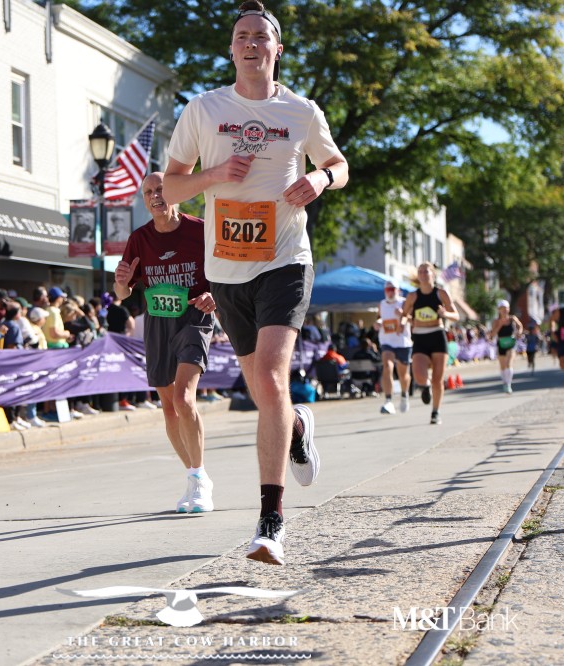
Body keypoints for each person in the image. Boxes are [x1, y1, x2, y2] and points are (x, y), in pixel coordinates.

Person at [163, 0, 348, 565]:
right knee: (267, 392)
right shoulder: (203, 109)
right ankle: (297, 426)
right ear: (231, 49)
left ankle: (271, 523)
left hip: (285, 259)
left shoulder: (301, 111)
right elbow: (170, 189)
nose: (250, 43)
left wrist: (320, 179)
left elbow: (339, 165)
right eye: (241, 36)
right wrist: (215, 175)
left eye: (260, 37)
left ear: (277, 49)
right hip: (226, 269)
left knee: (269, 376)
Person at [115, 171, 218, 513]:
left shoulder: (200, 230)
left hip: (194, 318)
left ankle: (199, 479)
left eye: (160, 189)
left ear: (175, 191)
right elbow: (122, 292)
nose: (155, 196)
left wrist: (213, 295)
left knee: (183, 397)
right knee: (169, 406)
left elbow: (227, 273)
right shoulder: (139, 238)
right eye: (148, 192)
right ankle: (195, 476)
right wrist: (121, 283)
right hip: (158, 322)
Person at [402, 262, 459, 425]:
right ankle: (425, 387)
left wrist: (445, 313)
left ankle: (435, 412)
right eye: (420, 271)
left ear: (433, 274)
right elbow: (404, 315)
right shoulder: (412, 296)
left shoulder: (441, 294)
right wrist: (404, 321)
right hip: (420, 336)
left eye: (426, 271)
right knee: (419, 374)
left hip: (437, 335)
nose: (423, 274)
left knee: (437, 379)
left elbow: (456, 315)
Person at [377, 279, 412, 414]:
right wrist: (378, 323)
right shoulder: (381, 304)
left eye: (392, 290)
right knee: (387, 366)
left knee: (403, 374)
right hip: (387, 341)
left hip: (402, 342)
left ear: (398, 290)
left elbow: (413, 319)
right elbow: (379, 317)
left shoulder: (404, 302)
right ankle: (388, 400)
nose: (390, 292)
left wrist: (402, 315)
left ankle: (404, 394)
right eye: (388, 290)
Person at [489, 300, 524, 394]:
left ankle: (508, 384)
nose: (504, 310)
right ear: (499, 310)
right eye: (502, 308)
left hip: (511, 343)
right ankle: (505, 382)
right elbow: (492, 335)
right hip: (501, 344)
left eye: (506, 308)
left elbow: (520, 326)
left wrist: (519, 332)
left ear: (509, 309)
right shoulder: (496, 321)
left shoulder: (512, 319)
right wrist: (500, 325)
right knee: (503, 366)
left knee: (509, 363)